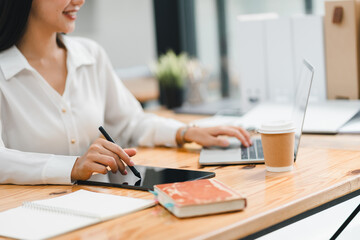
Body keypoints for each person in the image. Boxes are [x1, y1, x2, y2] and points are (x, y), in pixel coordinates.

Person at [0, 0, 252, 185]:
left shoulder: (91, 55)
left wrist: (185, 132)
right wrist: (73, 167)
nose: (79, 1)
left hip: (101, 205)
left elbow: (130, 122)